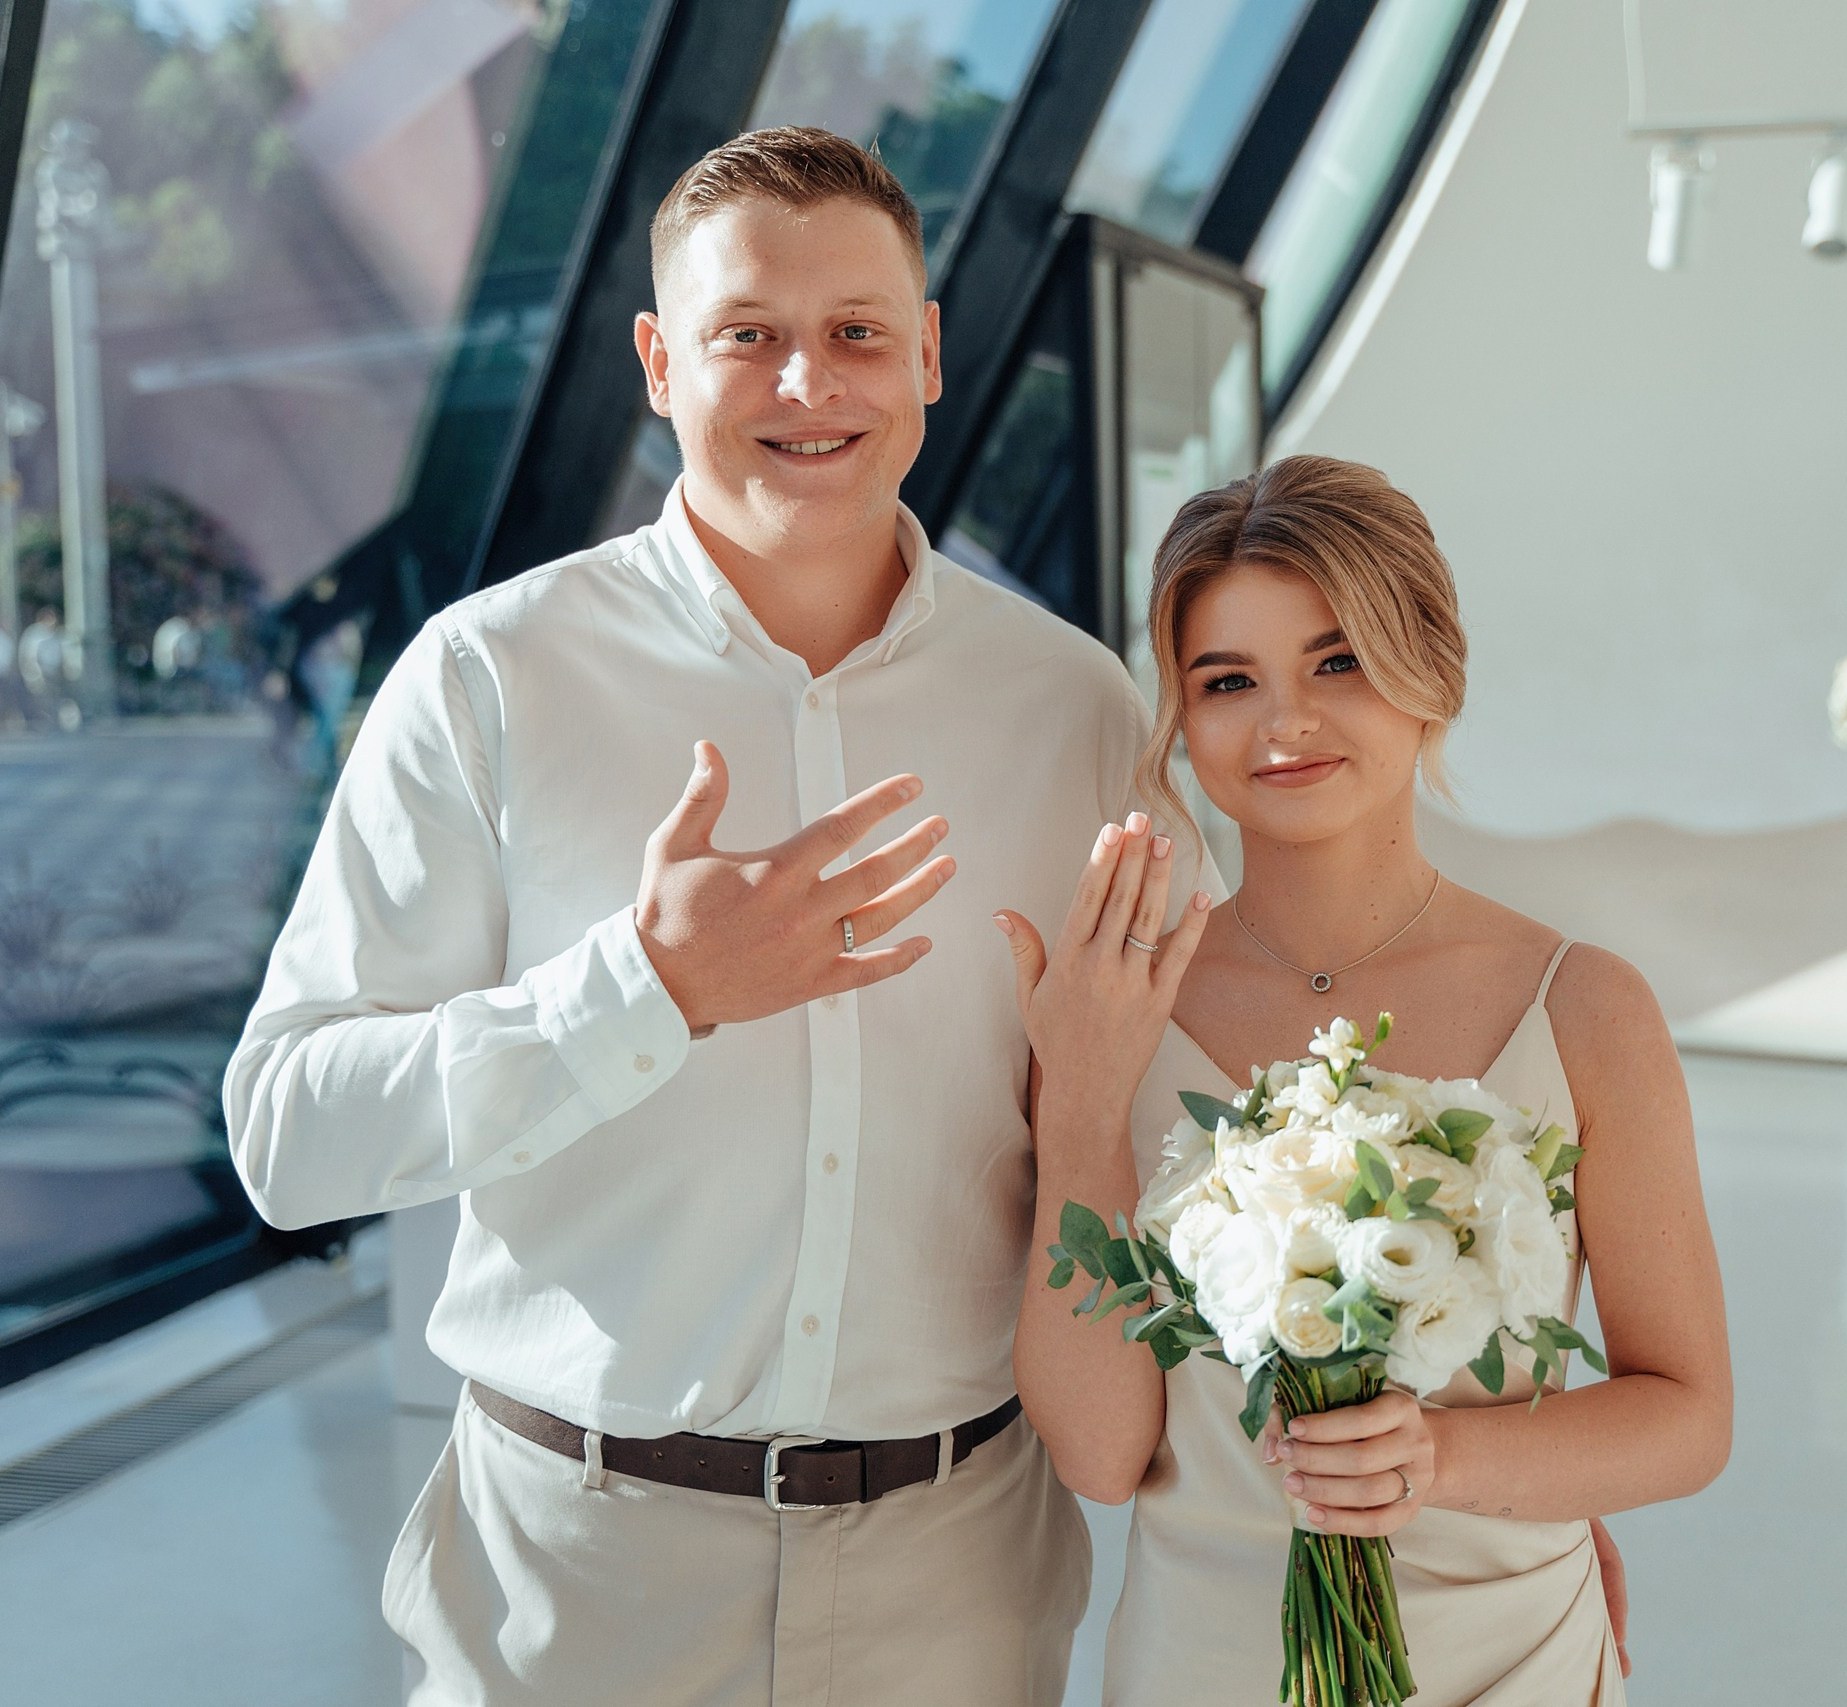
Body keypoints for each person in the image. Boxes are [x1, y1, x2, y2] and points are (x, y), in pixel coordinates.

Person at [223, 128, 1206, 1706]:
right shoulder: (490, 677)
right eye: (749, 333)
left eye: (857, 333)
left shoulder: (1076, 710)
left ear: (932, 357)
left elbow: (1190, 1146)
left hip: (958, 1575)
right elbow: (284, 1136)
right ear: (657, 361)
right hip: (573, 1581)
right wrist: (648, 986)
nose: (808, 384)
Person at [998, 455, 1730, 1703]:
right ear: (1180, 717)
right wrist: (1077, 1106)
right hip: (1208, 1664)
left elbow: (1686, 1416)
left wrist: (1435, 1458)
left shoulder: (1585, 1008)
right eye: (1226, 682)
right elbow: (1101, 1456)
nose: (1283, 723)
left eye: (1336, 662)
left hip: (1515, 1665)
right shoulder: (1116, 1008)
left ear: (1427, 672)